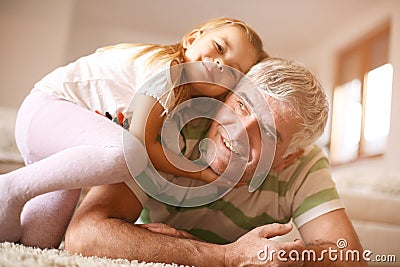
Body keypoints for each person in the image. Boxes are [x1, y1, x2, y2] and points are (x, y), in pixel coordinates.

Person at [64, 58, 366, 266]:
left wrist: (288, 256)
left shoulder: (306, 164)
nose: (240, 131)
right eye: (241, 105)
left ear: (288, 158)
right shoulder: (168, 129)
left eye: (268, 134)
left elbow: (349, 257)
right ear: (225, 97)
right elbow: (84, 235)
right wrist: (226, 257)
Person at [0, 17, 268, 248]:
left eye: (233, 72)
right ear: (191, 39)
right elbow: (141, 144)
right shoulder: (166, 71)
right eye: (219, 47)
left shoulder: (180, 102)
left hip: (60, 143)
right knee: (130, 154)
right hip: (49, 110)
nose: (220, 64)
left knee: (40, 240)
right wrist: (198, 172)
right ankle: (9, 188)